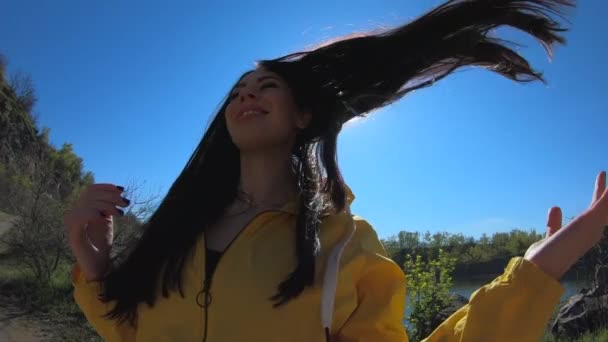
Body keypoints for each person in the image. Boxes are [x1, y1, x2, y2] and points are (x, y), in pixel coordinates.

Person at [64, 0, 607, 341]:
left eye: (266, 85)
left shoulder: (345, 246)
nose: (247, 93)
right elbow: (131, 333)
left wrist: (534, 275)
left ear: (303, 114)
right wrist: (97, 270)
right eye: (237, 91)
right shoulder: (177, 233)